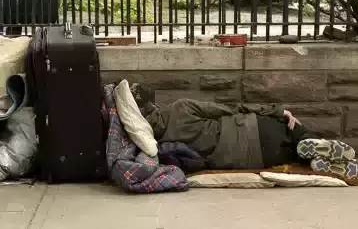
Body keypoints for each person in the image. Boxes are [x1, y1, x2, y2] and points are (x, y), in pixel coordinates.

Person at [130, 83, 358, 179]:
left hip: (246, 158)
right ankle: (314, 145)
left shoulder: (151, 143)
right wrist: (277, 110)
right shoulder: (180, 107)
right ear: (153, 105)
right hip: (251, 129)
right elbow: (230, 108)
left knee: (289, 155)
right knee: (293, 129)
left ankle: (315, 159)